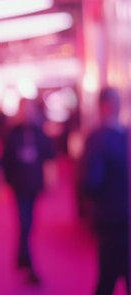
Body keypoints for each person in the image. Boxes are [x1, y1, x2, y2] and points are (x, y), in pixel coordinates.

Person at [80, 87, 129, 295]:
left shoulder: (97, 139)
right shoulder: (126, 135)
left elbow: (91, 182)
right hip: (123, 217)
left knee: (107, 279)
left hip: (110, 218)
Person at [0, 97, 55, 285]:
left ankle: (21, 258)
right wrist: (6, 181)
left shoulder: (39, 133)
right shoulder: (13, 134)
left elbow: (48, 157)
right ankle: (29, 265)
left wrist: (49, 181)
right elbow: (6, 159)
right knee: (24, 224)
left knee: (28, 224)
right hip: (19, 185)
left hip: (34, 184)